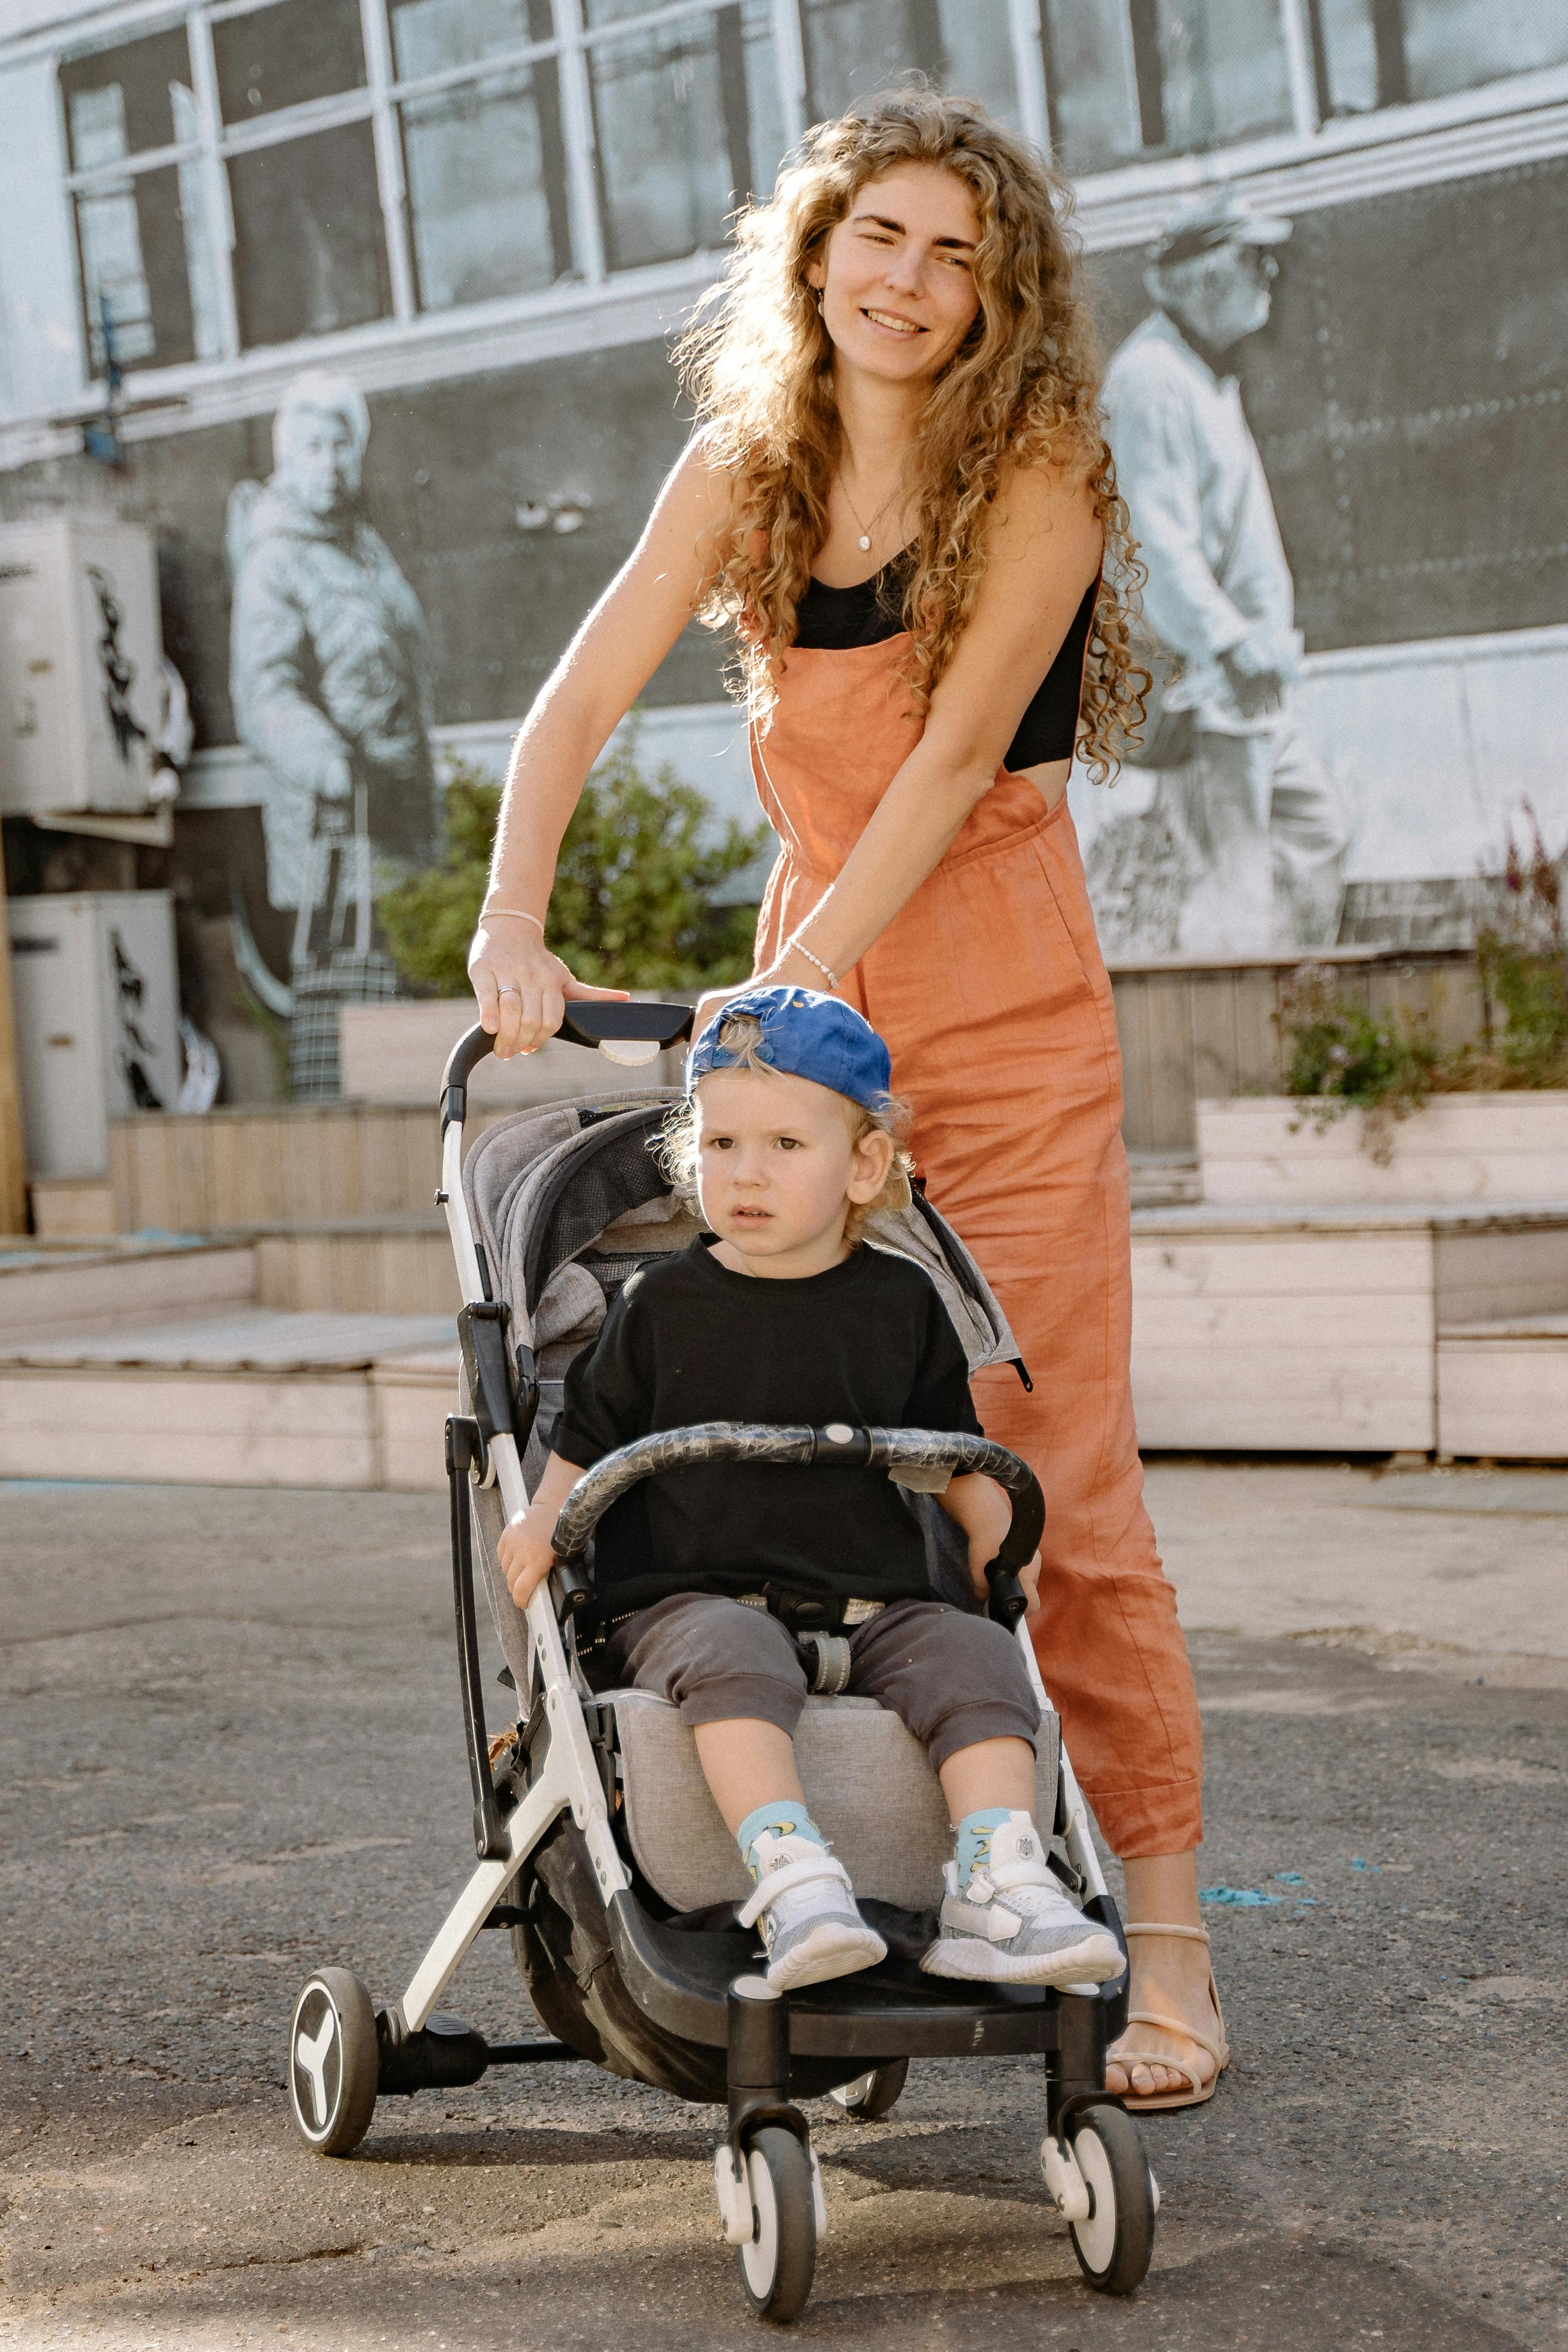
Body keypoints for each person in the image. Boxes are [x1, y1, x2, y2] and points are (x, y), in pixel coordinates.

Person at [470, 91, 1223, 2108]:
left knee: (1050, 1464)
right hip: (809, 990)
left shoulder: (1041, 468)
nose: (905, 280)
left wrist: (800, 981)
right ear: (810, 256)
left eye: (952, 254)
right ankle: (842, 1877)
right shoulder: (744, 465)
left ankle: (1161, 1940)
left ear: (999, 299)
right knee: (776, 1422)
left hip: (990, 1003)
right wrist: (513, 910)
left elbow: (957, 756)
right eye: (873, 237)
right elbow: (576, 692)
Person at [499, 989, 1124, 1995]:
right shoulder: (662, 1305)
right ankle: (793, 1876)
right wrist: (542, 1518)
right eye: (723, 1142)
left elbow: (952, 1452)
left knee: (974, 1651)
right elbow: (588, 1437)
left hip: (874, 1599)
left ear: (865, 1165)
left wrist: (998, 1535)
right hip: (695, 1600)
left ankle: (998, 1881)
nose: (747, 1172)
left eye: (787, 1144)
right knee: (732, 1650)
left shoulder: (900, 1301)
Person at [1101, 188, 1349, 957]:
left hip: (1246, 679)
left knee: (1319, 833)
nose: (1271, 274)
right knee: (1236, 876)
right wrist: (1227, 643)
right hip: (1210, 682)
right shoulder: (1150, 381)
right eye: (1254, 259)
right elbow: (1155, 542)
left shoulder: (1201, 373)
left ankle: (1294, 1002)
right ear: (1208, 281)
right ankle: (1245, 1041)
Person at [226, 369, 436, 1096]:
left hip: (397, 819)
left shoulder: (361, 546)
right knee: (352, 1016)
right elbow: (264, 691)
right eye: (313, 446)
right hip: (335, 823)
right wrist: (330, 764)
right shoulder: (276, 555)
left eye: (342, 447)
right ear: (287, 455)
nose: (330, 463)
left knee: (396, 999)